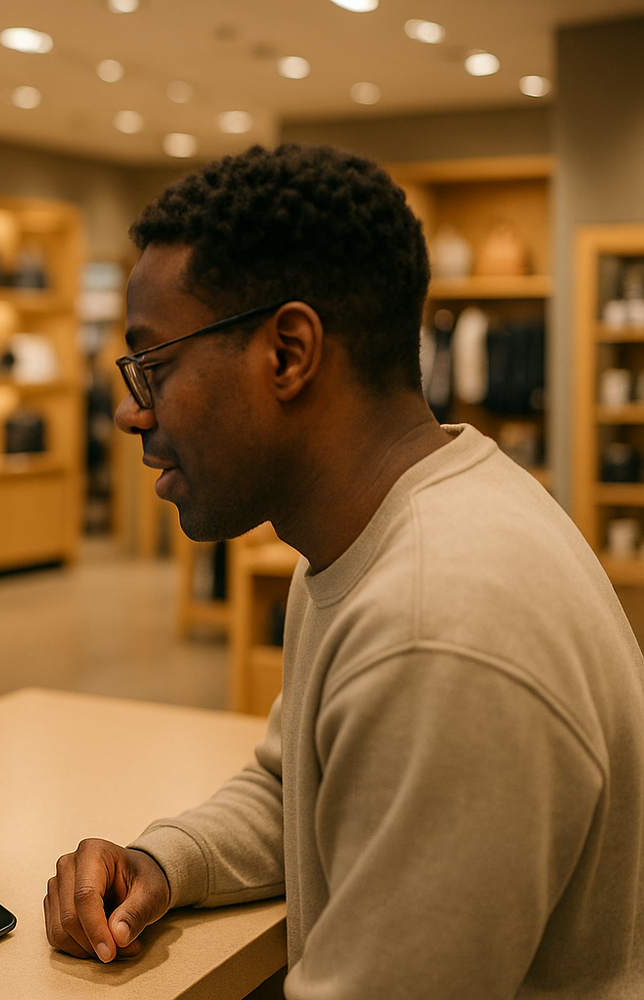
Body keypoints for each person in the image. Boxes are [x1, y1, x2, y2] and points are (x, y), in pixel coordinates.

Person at [45, 144, 644, 998]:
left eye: (156, 365)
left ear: (289, 352)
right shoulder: (378, 531)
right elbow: (300, 786)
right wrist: (165, 861)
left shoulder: (435, 625)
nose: (130, 410)